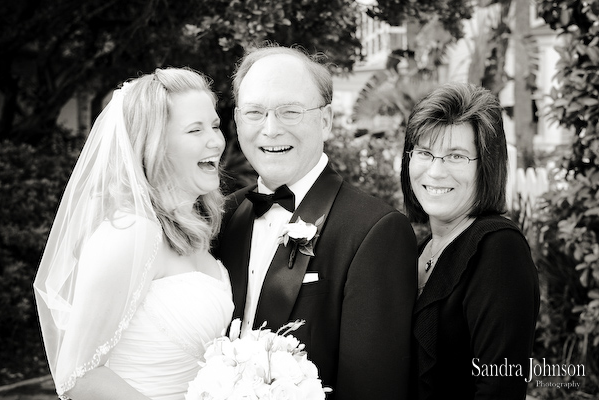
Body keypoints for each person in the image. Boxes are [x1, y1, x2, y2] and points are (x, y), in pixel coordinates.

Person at [215, 44, 417, 399]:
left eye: (290, 111)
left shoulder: (376, 231)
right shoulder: (221, 217)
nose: (271, 129)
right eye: (255, 112)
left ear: (325, 121)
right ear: (237, 122)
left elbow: (373, 389)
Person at [34, 67, 233, 400]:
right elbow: (76, 377)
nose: (216, 140)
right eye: (195, 130)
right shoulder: (130, 233)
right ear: (155, 144)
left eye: (214, 125)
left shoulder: (192, 230)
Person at [400, 82, 540, 399]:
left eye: (456, 156)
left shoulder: (498, 249)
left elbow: (499, 387)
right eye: (424, 152)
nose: (435, 172)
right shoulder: (421, 250)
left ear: (486, 167)